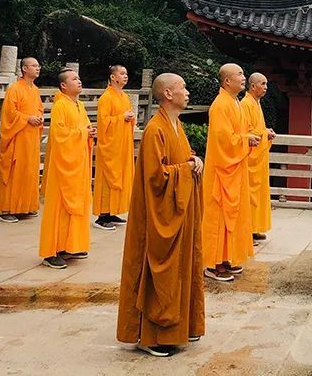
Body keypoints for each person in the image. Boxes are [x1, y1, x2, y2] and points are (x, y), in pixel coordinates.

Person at [117, 73, 205, 358]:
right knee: (161, 273)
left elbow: (181, 156)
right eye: (183, 87)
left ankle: (178, 329)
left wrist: (194, 160)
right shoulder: (156, 129)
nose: (188, 92)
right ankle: (152, 337)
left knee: (180, 270)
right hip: (160, 215)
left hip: (177, 212)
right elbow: (157, 177)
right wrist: (185, 171)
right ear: (168, 93)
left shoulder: (175, 125)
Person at [202, 63, 259, 282]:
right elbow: (224, 140)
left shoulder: (234, 103)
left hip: (234, 169)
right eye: (240, 74)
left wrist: (252, 137)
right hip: (221, 172)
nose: (244, 77)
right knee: (218, 218)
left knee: (232, 218)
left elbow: (239, 133)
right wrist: (247, 140)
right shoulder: (220, 105)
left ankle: (225, 258)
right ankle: (212, 264)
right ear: (227, 81)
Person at [39, 68, 95, 269]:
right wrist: (82, 132)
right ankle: (51, 252)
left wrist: (88, 133)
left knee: (77, 205)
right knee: (59, 208)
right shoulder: (60, 106)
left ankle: (70, 246)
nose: (79, 81)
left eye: (79, 78)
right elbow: (59, 136)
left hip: (78, 164)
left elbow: (83, 128)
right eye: (74, 79)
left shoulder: (78, 105)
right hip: (63, 166)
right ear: (63, 85)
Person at [0, 57, 44, 223]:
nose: (37, 68)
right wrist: (27, 119)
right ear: (24, 68)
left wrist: (38, 118)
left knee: (28, 172)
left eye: (38, 66)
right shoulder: (15, 89)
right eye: (34, 65)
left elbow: (39, 109)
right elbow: (9, 114)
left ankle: (24, 207)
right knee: (14, 171)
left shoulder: (35, 89)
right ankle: (6, 209)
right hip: (17, 138)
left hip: (30, 139)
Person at [93, 64, 136, 230]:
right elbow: (104, 123)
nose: (125, 76)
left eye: (126, 73)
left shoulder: (124, 96)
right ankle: (102, 216)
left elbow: (125, 118)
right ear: (113, 77)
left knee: (120, 177)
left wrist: (129, 118)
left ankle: (112, 211)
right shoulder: (106, 98)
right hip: (110, 146)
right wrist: (121, 118)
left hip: (122, 145)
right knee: (107, 180)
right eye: (122, 73)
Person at [240, 73, 275, 243]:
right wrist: (264, 133)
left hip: (258, 158)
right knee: (249, 195)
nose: (266, 87)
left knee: (258, 195)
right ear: (253, 86)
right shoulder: (246, 104)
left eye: (266, 83)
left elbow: (255, 129)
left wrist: (265, 132)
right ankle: (246, 231)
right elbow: (245, 132)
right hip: (250, 158)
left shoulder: (255, 103)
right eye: (263, 83)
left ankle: (254, 228)